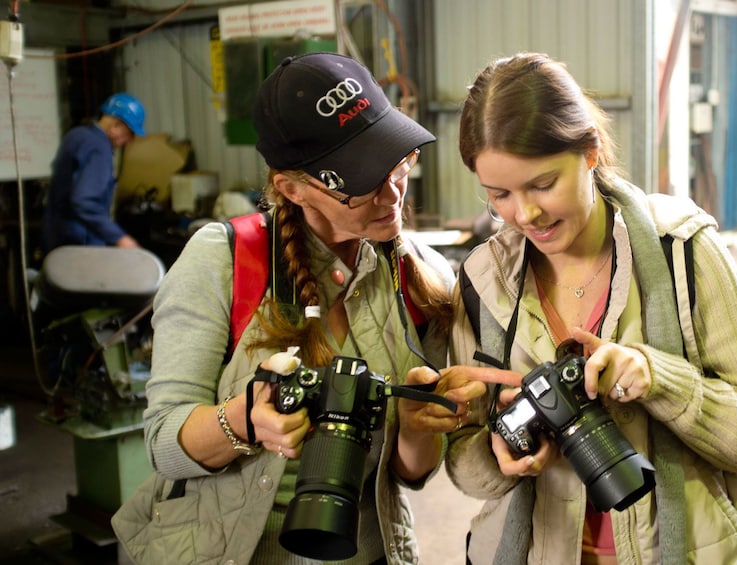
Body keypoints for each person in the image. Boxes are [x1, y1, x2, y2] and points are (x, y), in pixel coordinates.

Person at [112, 52, 479, 564]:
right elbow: (164, 445)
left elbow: (411, 476)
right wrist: (244, 420)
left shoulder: (424, 280)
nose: (391, 190)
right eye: (359, 178)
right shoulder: (223, 261)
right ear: (291, 187)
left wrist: (418, 426)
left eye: (395, 161)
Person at [445, 52, 737, 564]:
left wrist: (656, 378)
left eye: (543, 184)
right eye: (499, 195)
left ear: (589, 151)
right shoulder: (483, 281)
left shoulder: (683, 251)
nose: (526, 214)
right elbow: (461, 460)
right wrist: (498, 452)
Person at [42, 92, 146, 252]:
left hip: (58, 240)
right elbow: (85, 201)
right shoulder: (99, 148)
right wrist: (119, 237)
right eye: (129, 133)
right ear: (116, 125)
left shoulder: (76, 135)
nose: (129, 141)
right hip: (80, 244)